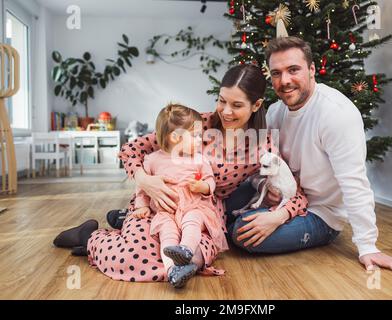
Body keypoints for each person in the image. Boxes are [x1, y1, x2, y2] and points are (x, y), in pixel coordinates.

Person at [53, 64, 309, 282]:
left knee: (176, 261)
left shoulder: (262, 146)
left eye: (237, 105)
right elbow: (131, 150)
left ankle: (110, 233)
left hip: (202, 214)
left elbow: (296, 194)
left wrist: (278, 216)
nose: (226, 111)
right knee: (131, 259)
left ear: (256, 105)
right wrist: (146, 180)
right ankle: (91, 236)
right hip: (157, 205)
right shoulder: (198, 124)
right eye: (221, 100)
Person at [229, 36, 392, 273]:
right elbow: (262, 163)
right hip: (285, 195)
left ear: (312, 69)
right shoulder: (275, 111)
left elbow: (354, 183)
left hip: (320, 213)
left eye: (293, 70)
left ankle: (231, 226)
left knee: (242, 233)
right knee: (222, 198)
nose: (285, 80)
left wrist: (368, 246)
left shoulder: (336, 114)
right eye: (276, 73)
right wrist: (270, 189)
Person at [132, 104, 228, 288]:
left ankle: (186, 249)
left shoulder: (199, 159)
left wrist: (204, 187)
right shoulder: (153, 160)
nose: (201, 140)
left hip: (194, 206)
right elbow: (142, 187)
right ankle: (173, 272)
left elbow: (210, 181)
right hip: (166, 211)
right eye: (196, 136)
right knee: (167, 236)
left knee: (192, 222)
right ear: (175, 137)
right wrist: (141, 205)